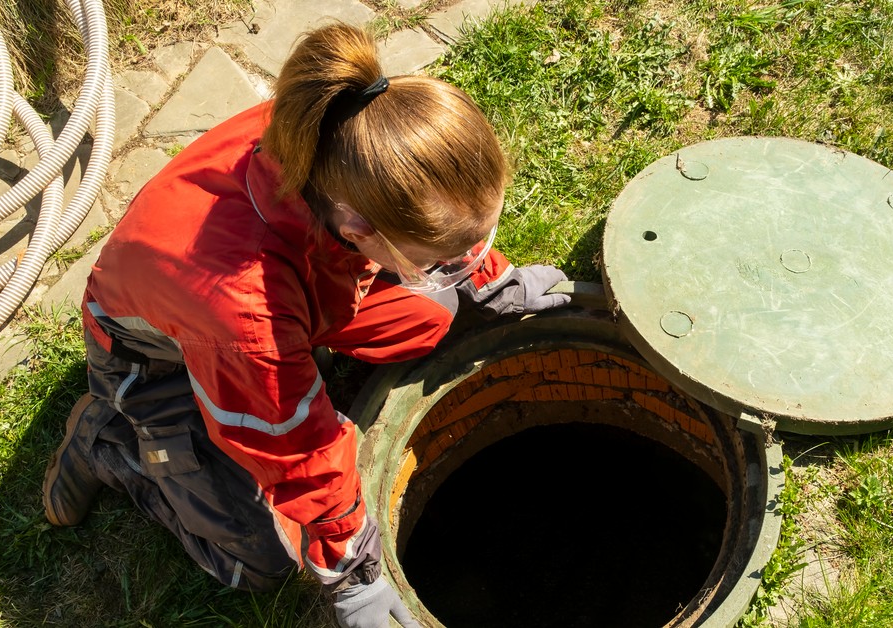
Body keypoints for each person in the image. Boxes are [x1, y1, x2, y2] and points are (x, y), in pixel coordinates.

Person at [41, 22, 570, 628]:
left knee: (428, 319)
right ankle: (108, 442)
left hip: (297, 278)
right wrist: (350, 562)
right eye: (439, 260)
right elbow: (296, 448)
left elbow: (439, 219)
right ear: (358, 229)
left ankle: (313, 346)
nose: (455, 265)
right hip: (154, 356)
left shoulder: (341, 131)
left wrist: (488, 284)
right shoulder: (247, 314)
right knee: (261, 560)